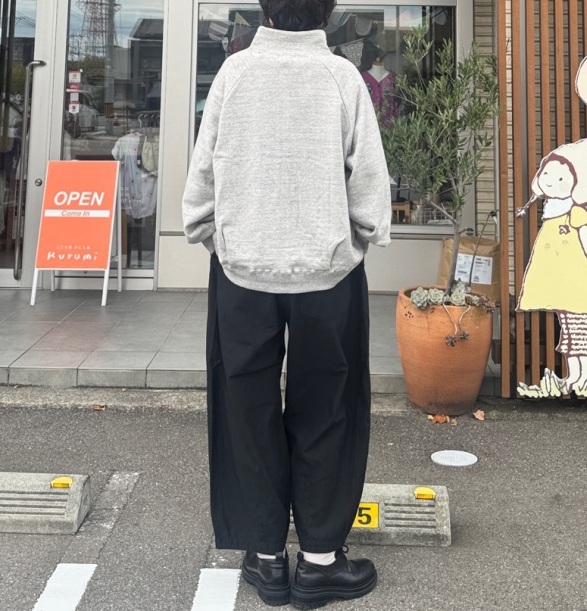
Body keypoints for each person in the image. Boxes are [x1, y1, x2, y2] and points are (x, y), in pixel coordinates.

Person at [181, 0, 391, 607]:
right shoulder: (342, 77)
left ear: (264, 10)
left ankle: (266, 557)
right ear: (329, 10)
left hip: (243, 269)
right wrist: (357, 238)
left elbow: (203, 179)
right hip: (328, 272)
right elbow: (369, 185)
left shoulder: (235, 73)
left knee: (244, 404)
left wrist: (215, 236)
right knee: (329, 404)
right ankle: (321, 560)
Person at [516, 133, 587, 395]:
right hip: (560, 284)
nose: (550, 181)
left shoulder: (575, 211)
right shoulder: (550, 214)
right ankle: (573, 375)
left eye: (560, 178)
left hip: (576, 282)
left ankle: (586, 377)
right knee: (568, 330)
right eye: (547, 174)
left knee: (580, 332)